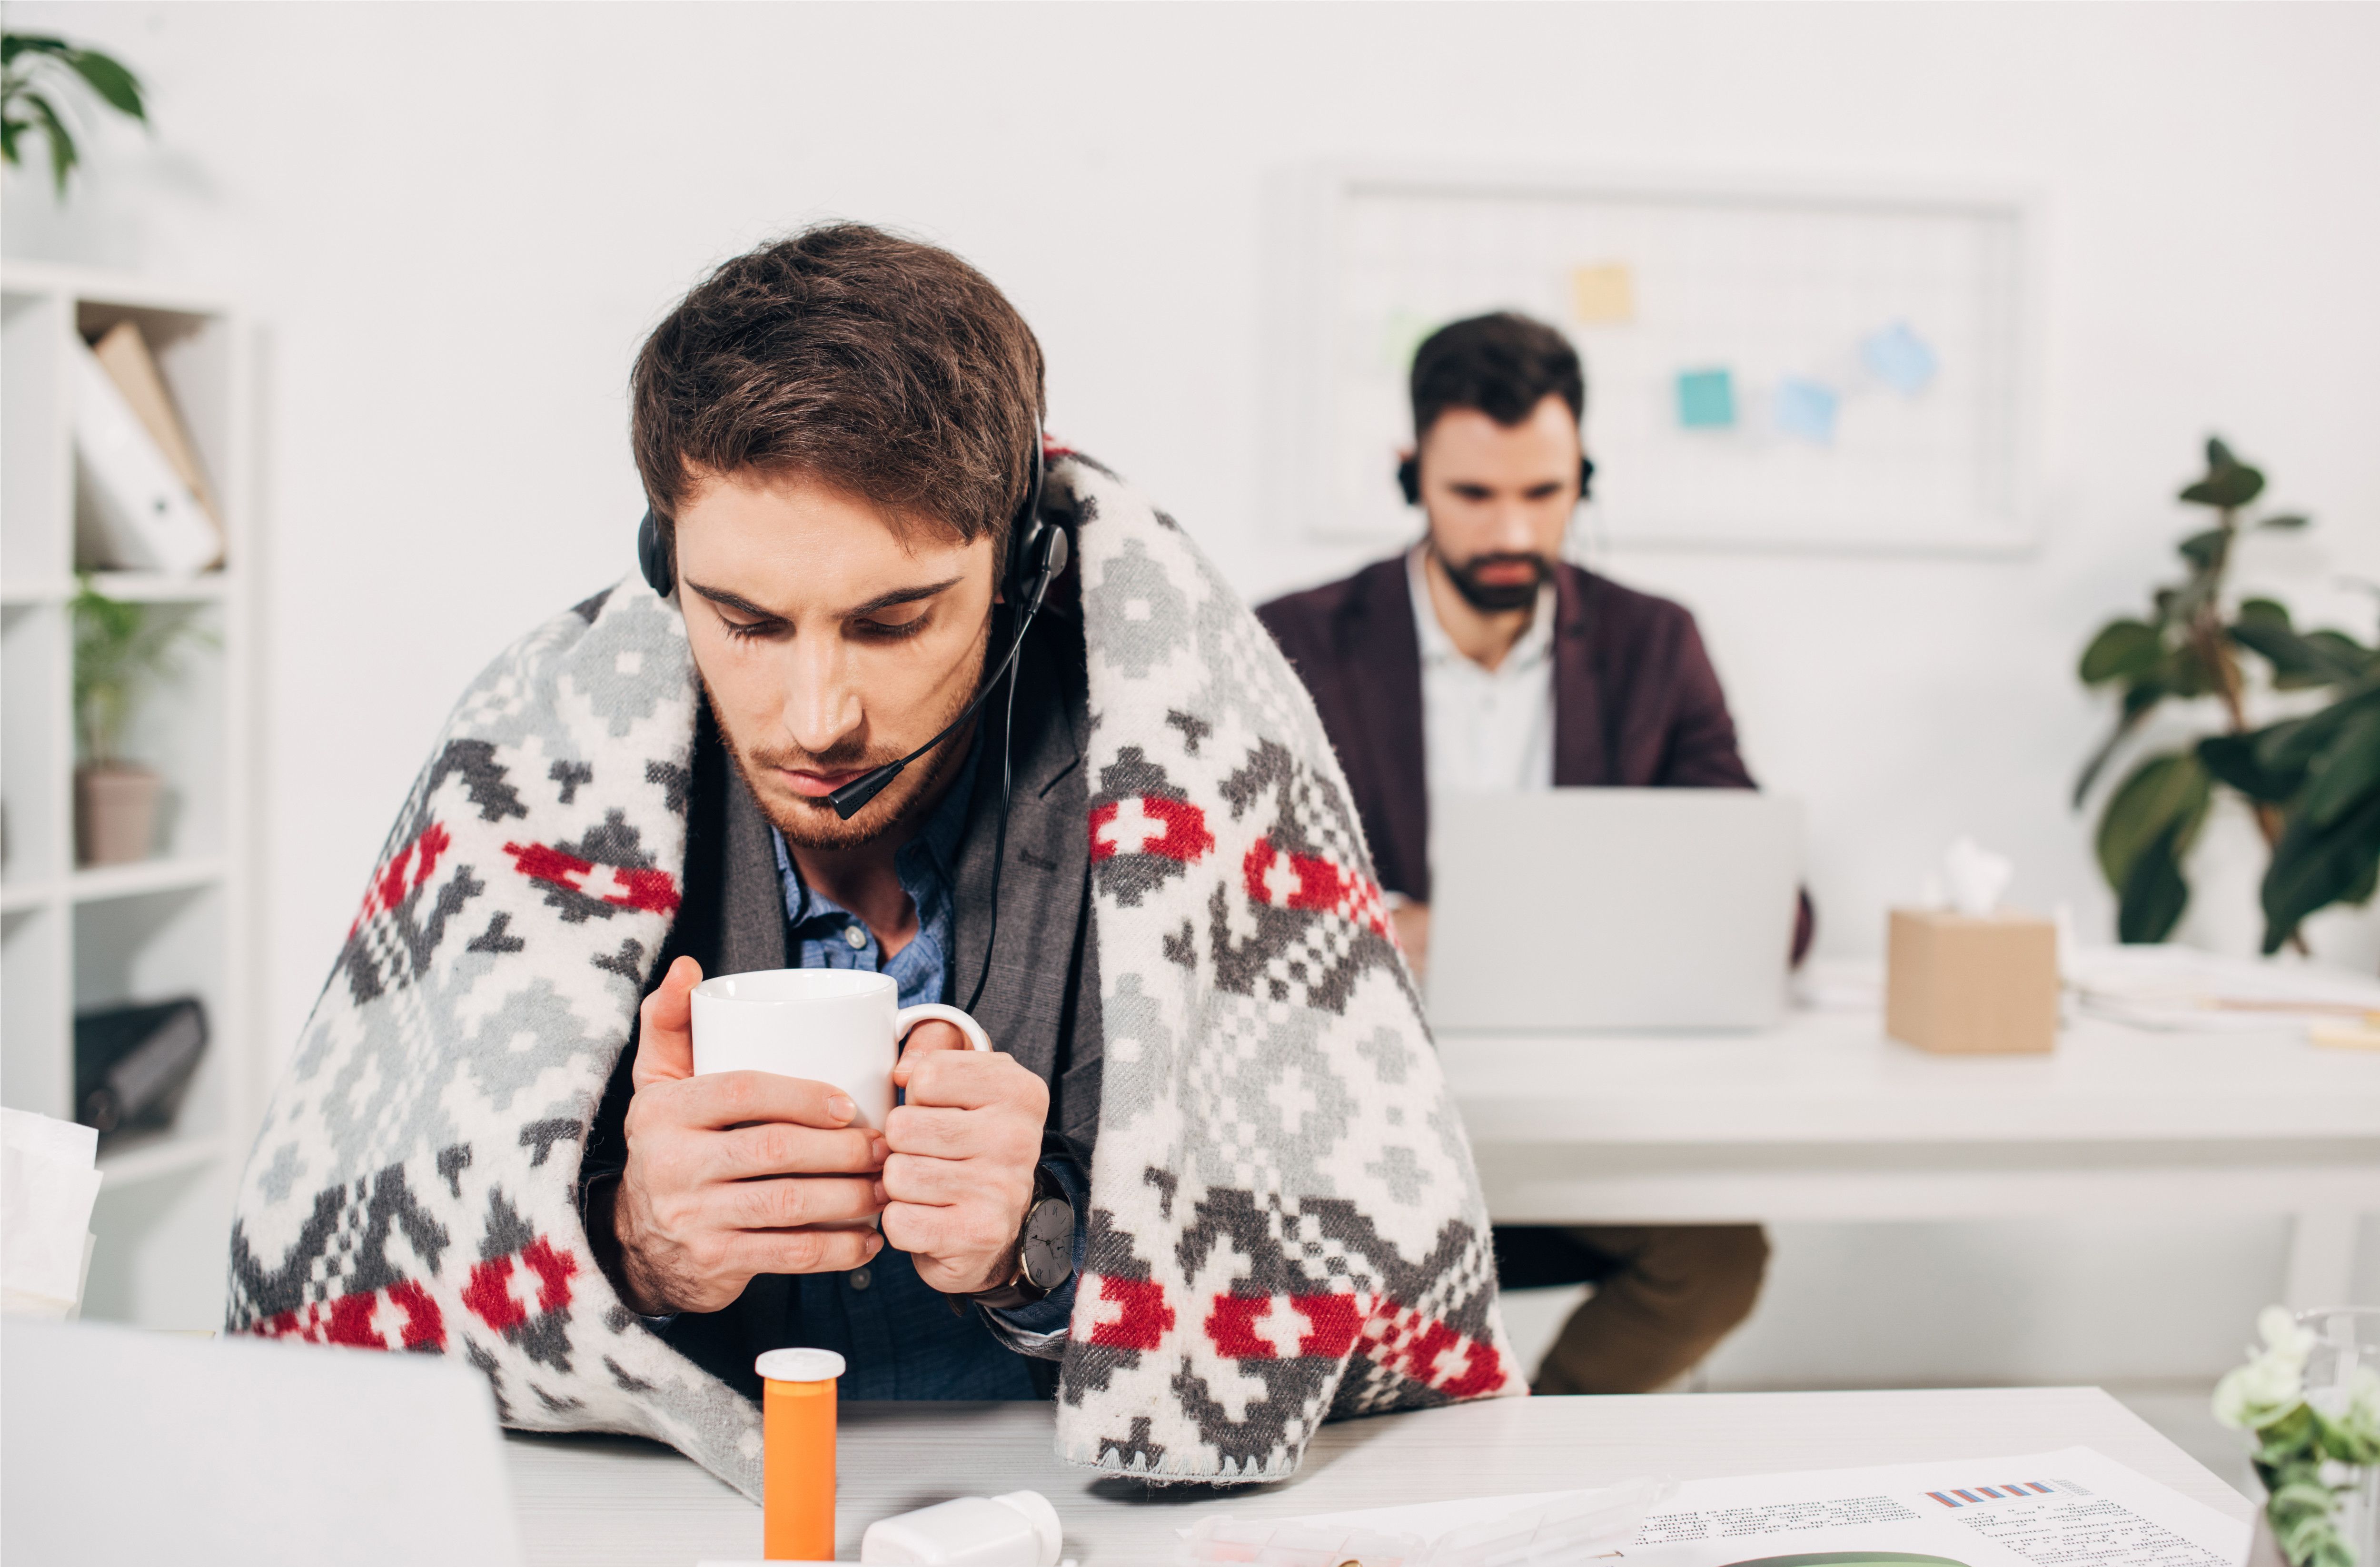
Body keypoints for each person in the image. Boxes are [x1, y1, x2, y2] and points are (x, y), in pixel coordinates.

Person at [227, 226, 1517, 1491]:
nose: (815, 715)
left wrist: (1048, 1246)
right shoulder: (529, 778)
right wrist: (633, 1249)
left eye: (894, 620)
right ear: (662, 563)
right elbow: (310, 1307)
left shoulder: (1199, 778)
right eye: (740, 619)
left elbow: (1402, 1320)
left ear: (1019, 566)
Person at [1257, 311, 1806, 1397]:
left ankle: (1535, 1453)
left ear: (1581, 478)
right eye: (1473, 495)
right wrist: (1378, 922)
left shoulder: (1656, 644)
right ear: (1409, 476)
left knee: (1718, 1256)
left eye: (1545, 494)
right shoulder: (1297, 640)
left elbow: (1764, 905)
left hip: (1579, 1095)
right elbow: (1223, 886)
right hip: (1359, 1104)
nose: (1512, 527)